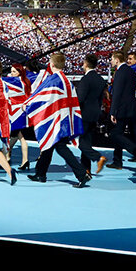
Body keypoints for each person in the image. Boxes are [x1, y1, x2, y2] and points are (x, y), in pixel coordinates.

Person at [26, 53, 91, 188]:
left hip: (54, 119)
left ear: (52, 64)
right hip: (64, 118)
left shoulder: (53, 80)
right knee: (48, 146)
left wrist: (26, 104)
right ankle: (41, 173)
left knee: (60, 147)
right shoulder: (66, 80)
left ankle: (81, 173)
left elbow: (39, 95)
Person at [107, 51, 136, 169]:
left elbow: (117, 93)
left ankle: (134, 150)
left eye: (112, 59)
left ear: (117, 60)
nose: (111, 62)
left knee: (115, 134)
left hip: (121, 109)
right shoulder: (131, 72)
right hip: (132, 107)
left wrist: (113, 111)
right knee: (134, 132)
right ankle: (119, 161)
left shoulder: (120, 72)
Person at [75, 54, 107, 175]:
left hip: (84, 114)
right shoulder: (100, 79)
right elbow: (100, 99)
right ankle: (86, 169)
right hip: (95, 114)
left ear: (86, 63)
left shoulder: (85, 79)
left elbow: (80, 99)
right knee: (87, 142)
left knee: (82, 144)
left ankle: (98, 157)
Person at [5, 64, 32, 171]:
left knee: (19, 136)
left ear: (19, 72)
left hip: (15, 113)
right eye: (11, 71)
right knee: (18, 136)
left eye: (14, 72)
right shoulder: (26, 82)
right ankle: (22, 160)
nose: (12, 74)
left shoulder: (14, 82)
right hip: (23, 111)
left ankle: (9, 156)